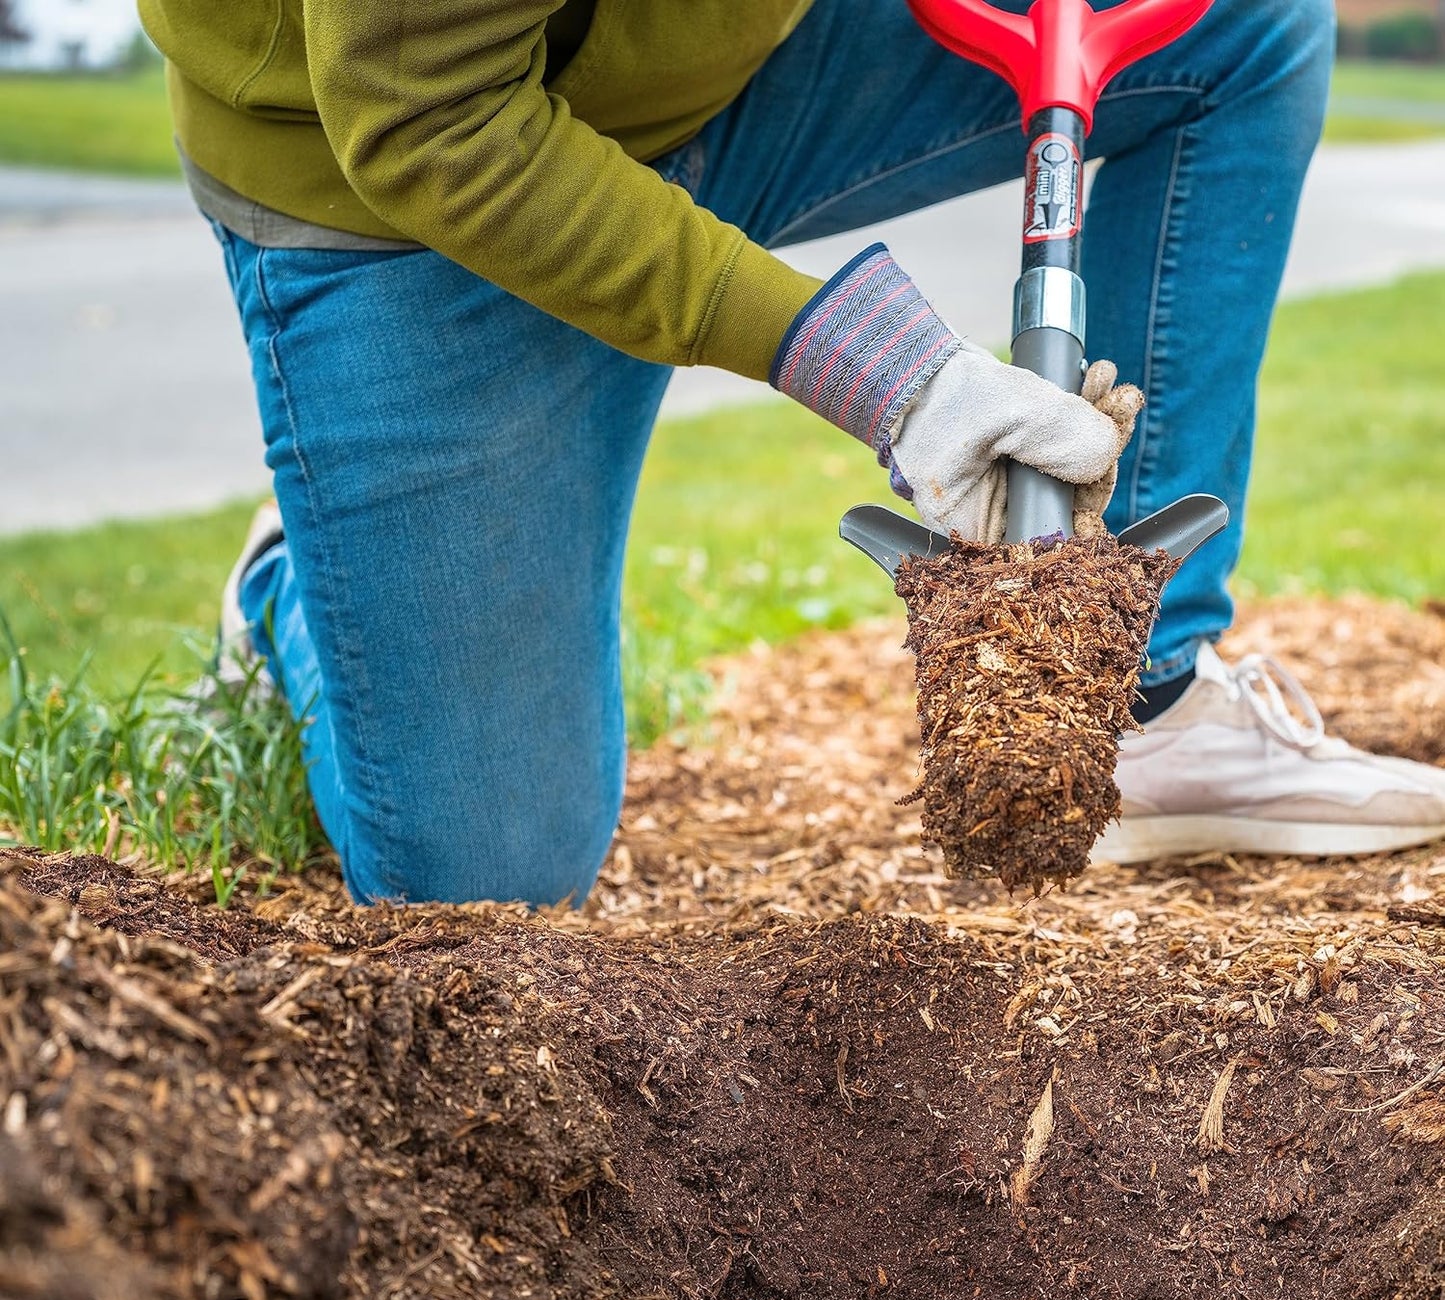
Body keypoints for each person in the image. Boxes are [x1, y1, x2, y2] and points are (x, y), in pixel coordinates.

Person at [140, 0, 1445, 906]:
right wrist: (888, 376)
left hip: (743, 66)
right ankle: (300, 594)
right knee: (488, 871)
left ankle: (1134, 695)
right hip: (409, 198)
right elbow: (424, 119)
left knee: (1241, 27)